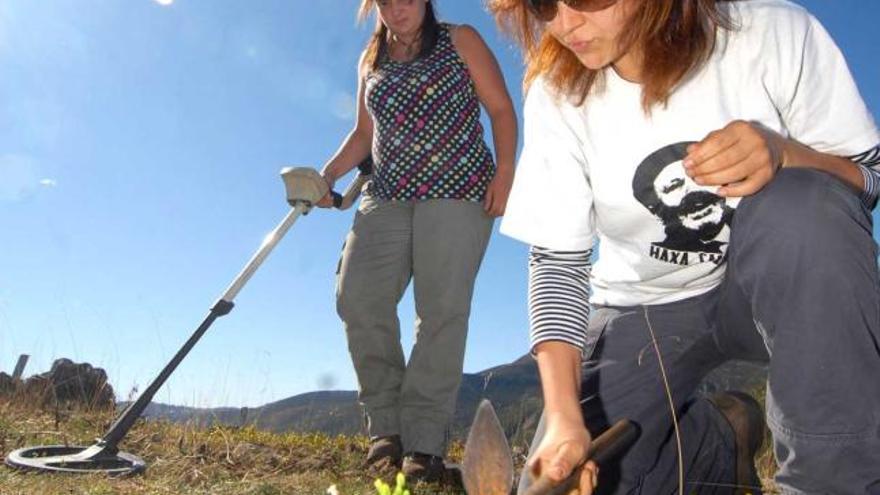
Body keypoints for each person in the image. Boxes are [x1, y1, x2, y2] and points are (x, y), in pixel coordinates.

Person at [489, 0, 880, 493]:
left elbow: (868, 179)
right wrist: (565, 416)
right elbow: (557, 261)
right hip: (643, 308)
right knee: (570, 479)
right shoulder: (556, 92)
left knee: (802, 207)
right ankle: (718, 441)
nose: (565, 25)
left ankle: (832, 481)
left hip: (773, 286)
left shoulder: (773, 33)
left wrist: (784, 154)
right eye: (543, 4)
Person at [317, 0, 518, 483]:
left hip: (458, 191)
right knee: (357, 297)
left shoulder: (460, 39)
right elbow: (365, 133)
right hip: (385, 195)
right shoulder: (372, 60)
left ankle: (423, 446)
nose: (397, 8)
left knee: (440, 312)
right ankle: (386, 429)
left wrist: (507, 172)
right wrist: (326, 174)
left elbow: (500, 107)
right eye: (385, 1)